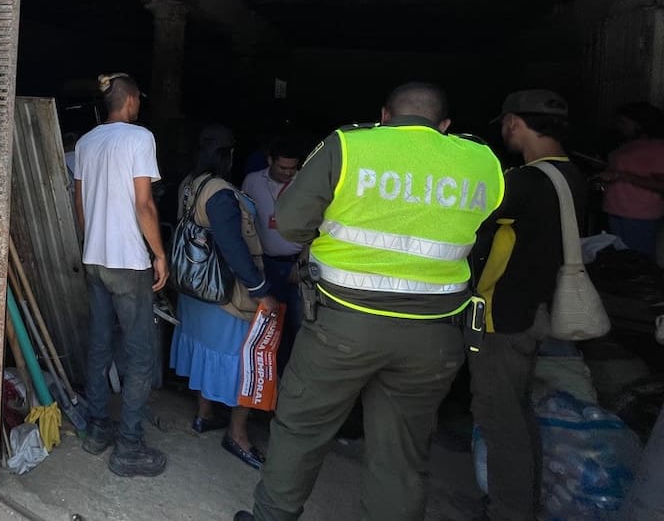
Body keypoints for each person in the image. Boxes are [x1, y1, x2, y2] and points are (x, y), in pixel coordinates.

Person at [235, 82, 504, 521]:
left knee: (301, 428)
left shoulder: (348, 146)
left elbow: (291, 223)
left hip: (343, 326)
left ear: (384, 116)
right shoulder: (481, 160)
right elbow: (490, 224)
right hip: (434, 336)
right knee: (402, 452)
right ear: (445, 125)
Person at [471, 89, 586, 521]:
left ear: (514, 123)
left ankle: (509, 511)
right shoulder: (571, 175)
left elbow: (470, 221)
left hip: (505, 315)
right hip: (537, 309)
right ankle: (522, 503)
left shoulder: (525, 182)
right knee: (516, 413)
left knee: (499, 417)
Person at [73, 72, 170, 478]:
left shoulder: (85, 142)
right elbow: (144, 204)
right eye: (138, 100)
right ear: (130, 100)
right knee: (140, 353)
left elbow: (79, 204)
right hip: (128, 261)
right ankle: (129, 446)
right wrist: (159, 254)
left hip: (95, 258)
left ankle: (97, 429)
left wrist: (91, 242)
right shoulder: (139, 138)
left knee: (99, 345)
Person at [170, 125, 276, 469]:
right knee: (243, 360)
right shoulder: (220, 193)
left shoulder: (189, 184)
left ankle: (204, 415)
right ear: (227, 155)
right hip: (223, 294)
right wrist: (261, 292)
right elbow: (233, 247)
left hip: (195, 289)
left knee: (205, 351)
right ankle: (237, 435)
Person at [241, 137, 306, 374]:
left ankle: (293, 377)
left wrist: (303, 262)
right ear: (270, 160)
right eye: (282, 167)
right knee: (267, 324)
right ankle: (267, 377)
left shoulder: (306, 183)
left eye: (293, 168)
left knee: (298, 325)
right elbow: (244, 220)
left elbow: (321, 226)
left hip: (296, 266)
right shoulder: (252, 181)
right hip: (265, 265)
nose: (288, 173)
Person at [600, 102, 664, 256]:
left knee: (638, 259)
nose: (620, 126)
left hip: (640, 214)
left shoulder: (657, 147)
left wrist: (621, 175)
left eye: (623, 122)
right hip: (615, 209)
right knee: (622, 258)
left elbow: (660, 184)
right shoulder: (626, 144)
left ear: (639, 123)